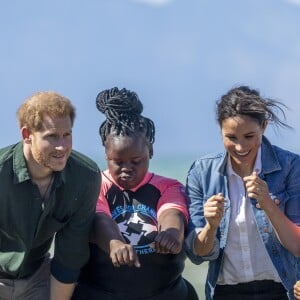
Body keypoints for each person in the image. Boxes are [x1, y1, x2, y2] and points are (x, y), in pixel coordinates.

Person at [72, 87, 199, 300]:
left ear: (150, 151)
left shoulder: (169, 186)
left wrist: (171, 233)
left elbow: (172, 211)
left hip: (166, 293)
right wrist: (115, 243)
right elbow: (100, 217)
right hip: (101, 293)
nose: (126, 168)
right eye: (118, 161)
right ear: (106, 153)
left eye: (136, 161)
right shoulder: (94, 184)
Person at [184, 85, 300, 300]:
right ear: (220, 130)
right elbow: (197, 254)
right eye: (231, 137)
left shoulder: (291, 167)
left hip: (282, 289)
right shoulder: (201, 172)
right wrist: (210, 226)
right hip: (224, 292)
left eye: (249, 136)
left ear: (264, 126)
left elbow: (297, 246)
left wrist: (267, 203)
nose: (240, 147)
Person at [0, 91, 101, 300]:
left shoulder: (85, 177)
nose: (62, 147)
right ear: (27, 135)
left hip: (39, 278)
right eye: (51, 136)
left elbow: (70, 255)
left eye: (67, 135)